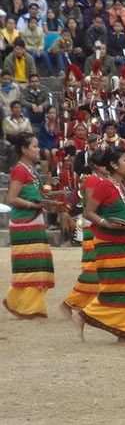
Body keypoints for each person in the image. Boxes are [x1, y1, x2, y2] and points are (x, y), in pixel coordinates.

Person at [72, 146, 125, 343]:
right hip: (108, 243)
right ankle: (86, 316)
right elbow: (89, 212)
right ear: (112, 164)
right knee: (119, 288)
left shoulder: (124, 188)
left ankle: (123, 329)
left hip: (124, 241)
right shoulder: (104, 185)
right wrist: (105, 223)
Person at [2, 132, 56, 318]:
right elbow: (11, 198)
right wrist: (33, 205)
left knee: (37, 263)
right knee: (30, 265)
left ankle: (24, 304)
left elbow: (34, 194)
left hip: (33, 219)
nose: (38, 149)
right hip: (25, 220)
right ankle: (26, 306)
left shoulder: (30, 169)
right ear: (24, 149)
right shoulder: (20, 169)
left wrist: (49, 199)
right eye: (34, 146)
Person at [60, 150, 107, 315]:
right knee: (91, 268)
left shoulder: (102, 180)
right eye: (104, 163)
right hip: (92, 225)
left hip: (99, 225)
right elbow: (92, 208)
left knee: (98, 267)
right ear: (96, 166)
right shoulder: (92, 181)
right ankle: (71, 303)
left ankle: (82, 304)